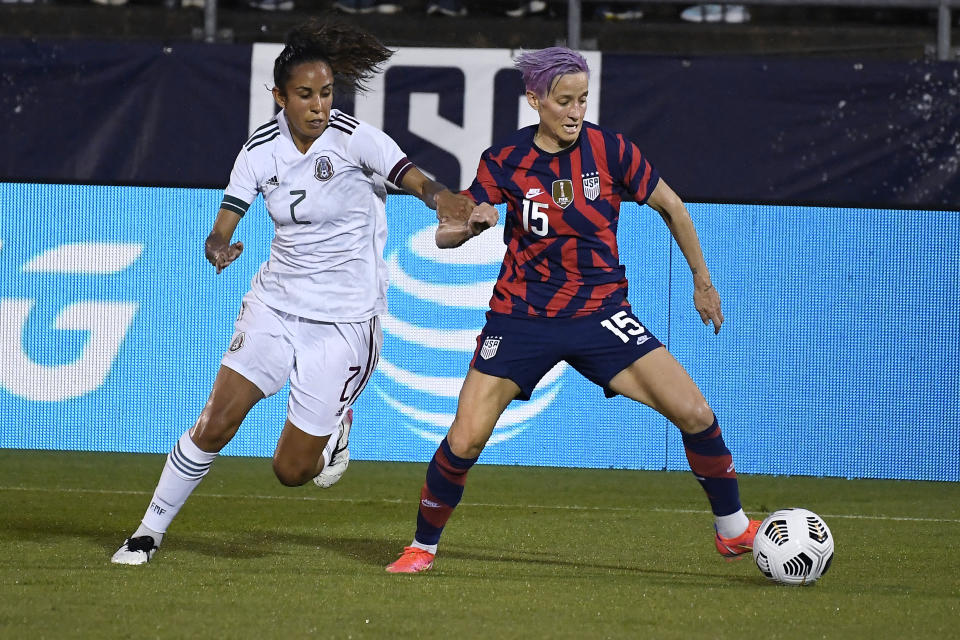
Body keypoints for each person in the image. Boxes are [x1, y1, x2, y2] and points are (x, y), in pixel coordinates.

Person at [111, 19, 480, 566]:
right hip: (276, 305)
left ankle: (337, 421)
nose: (318, 105)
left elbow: (413, 177)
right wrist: (218, 245)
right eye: (305, 95)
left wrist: (443, 197)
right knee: (216, 420)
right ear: (279, 96)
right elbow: (225, 222)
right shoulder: (260, 151)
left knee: (292, 472)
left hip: (345, 321)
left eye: (326, 93)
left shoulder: (356, 139)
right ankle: (146, 532)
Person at [385, 46, 760, 574]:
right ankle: (422, 546)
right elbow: (447, 234)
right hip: (521, 318)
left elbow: (672, 206)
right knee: (466, 437)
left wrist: (702, 280)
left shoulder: (611, 150)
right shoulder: (504, 160)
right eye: (564, 101)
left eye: (583, 99)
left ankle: (734, 530)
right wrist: (470, 225)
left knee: (696, 414)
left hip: (600, 313)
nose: (575, 111)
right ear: (535, 100)